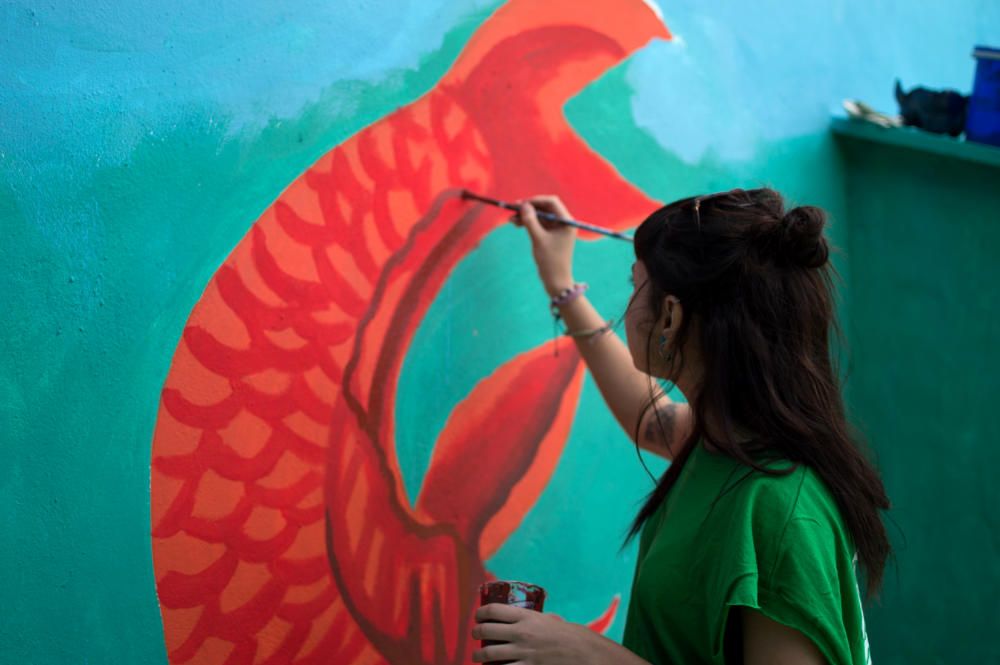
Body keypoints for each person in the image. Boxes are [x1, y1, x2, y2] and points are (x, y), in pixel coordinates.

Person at [471, 189, 891, 665]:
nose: (629, 303)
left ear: (670, 316)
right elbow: (650, 418)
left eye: (635, 286)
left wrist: (591, 655)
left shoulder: (781, 509)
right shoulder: (726, 440)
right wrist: (561, 284)